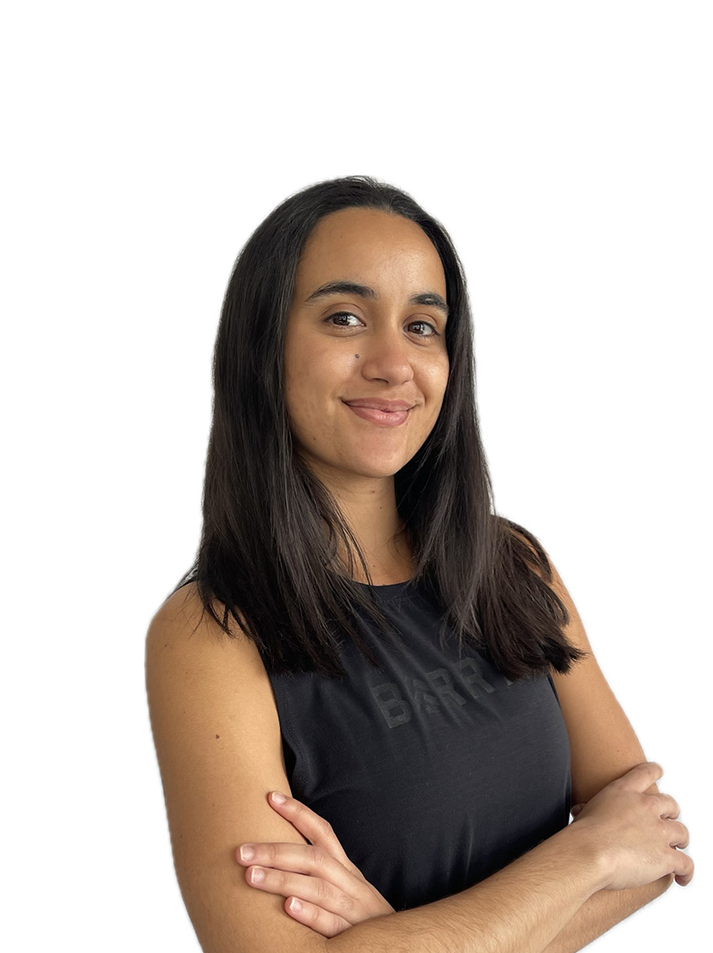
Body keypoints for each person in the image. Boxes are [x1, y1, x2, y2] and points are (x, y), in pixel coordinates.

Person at [146, 176, 692, 953]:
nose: (393, 363)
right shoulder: (209, 637)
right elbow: (618, 852)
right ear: (263, 344)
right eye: (345, 318)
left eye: (424, 326)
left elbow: (654, 846)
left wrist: (394, 939)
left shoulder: (512, 566)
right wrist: (588, 852)